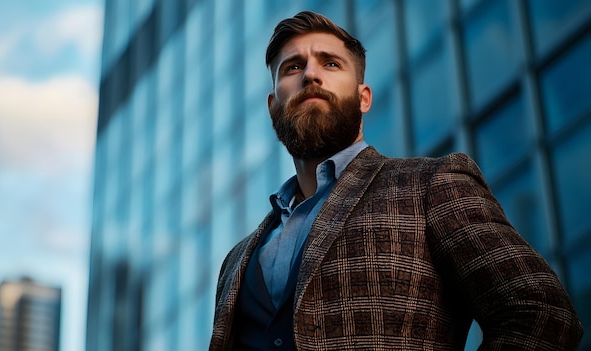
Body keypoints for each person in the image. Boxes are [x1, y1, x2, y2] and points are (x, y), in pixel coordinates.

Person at [209, 11, 583, 350]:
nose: (310, 74)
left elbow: (541, 313)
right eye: (293, 67)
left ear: (364, 98)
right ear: (273, 105)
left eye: (331, 63)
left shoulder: (430, 185)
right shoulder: (236, 260)